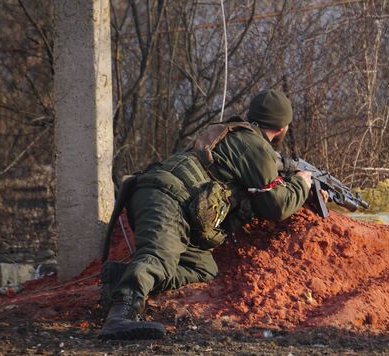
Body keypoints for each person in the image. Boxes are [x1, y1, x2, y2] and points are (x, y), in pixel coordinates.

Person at [99, 89, 312, 340]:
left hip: (170, 200)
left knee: (201, 266)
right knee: (159, 257)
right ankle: (121, 315)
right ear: (282, 126)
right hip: (168, 198)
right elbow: (276, 206)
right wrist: (302, 184)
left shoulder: (232, 133)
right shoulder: (253, 145)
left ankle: (122, 276)